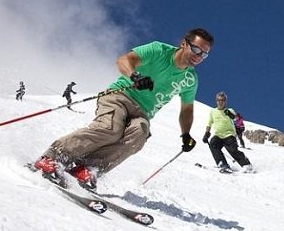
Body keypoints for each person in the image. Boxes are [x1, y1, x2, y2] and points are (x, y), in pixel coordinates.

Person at [35, 28, 215, 189]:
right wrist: (135, 76)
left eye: (204, 54)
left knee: (139, 135)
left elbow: (187, 109)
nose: (198, 56)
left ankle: (88, 168)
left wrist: (185, 134)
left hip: (143, 113)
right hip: (120, 96)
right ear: (184, 43)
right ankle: (54, 157)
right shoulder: (159, 50)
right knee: (110, 128)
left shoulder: (191, 79)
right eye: (196, 49)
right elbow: (124, 60)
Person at [202, 92, 253, 173]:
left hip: (229, 134)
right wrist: (206, 133)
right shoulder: (213, 112)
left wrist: (230, 115)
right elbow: (209, 123)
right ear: (216, 101)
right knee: (213, 144)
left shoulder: (229, 110)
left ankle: (246, 165)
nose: (220, 102)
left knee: (232, 150)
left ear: (225, 101)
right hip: (218, 135)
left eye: (222, 100)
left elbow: (237, 118)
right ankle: (222, 164)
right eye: (218, 100)